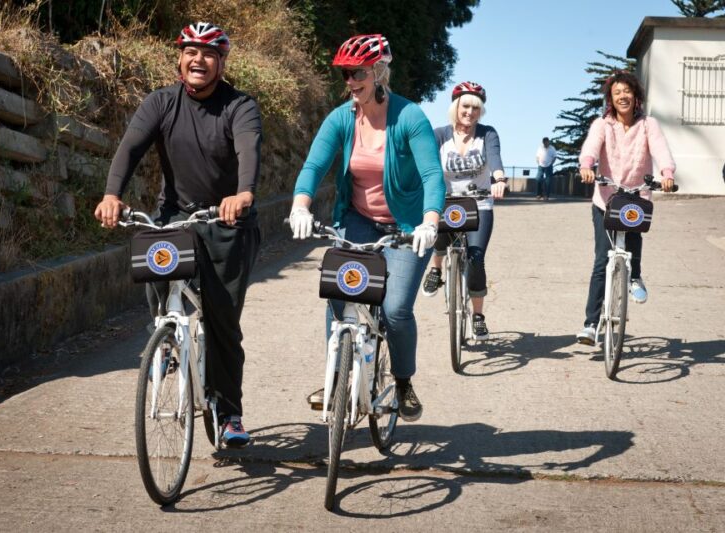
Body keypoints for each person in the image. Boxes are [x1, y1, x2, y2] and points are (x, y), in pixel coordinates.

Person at [94, 22, 262, 446]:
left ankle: (228, 414)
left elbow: (248, 149)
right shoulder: (161, 102)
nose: (198, 59)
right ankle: (165, 338)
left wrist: (243, 193)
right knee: (154, 263)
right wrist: (112, 195)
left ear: (222, 62)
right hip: (177, 216)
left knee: (222, 320)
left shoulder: (239, 106)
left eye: (208, 53)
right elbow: (130, 148)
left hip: (227, 221)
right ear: (179, 59)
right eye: (190, 51)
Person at [288, 34, 445, 422]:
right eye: (345, 74)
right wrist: (300, 205)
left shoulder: (409, 117)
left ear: (378, 72)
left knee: (394, 310)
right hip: (358, 220)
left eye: (357, 73)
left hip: (406, 226)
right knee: (339, 295)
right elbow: (313, 167)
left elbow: (432, 175)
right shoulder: (342, 117)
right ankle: (337, 377)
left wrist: (429, 221)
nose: (351, 82)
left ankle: (404, 381)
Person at [576, 70, 675, 345]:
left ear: (636, 97)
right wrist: (586, 166)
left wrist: (667, 173)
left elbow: (660, 149)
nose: (623, 96)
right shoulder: (602, 124)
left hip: (635, 195)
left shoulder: (648, 124)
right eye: (617, 92)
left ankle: (636, 278)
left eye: (627, 92)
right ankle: (590, 325)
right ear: (611, 98)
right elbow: (591, 148)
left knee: (633, 239)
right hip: (605, 197)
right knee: (601, 261)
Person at [420, 81, 507, 340]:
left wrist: (499, 179)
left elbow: (494, 157)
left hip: (478, 203)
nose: (470, 112)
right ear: (455, 106)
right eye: (465, 106)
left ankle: (478, 315)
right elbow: (427, 164)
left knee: (476, 258)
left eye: (476, 108)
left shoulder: (487, 134)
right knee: (439, 236)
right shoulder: (439, 135)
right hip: (445, 201)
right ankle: (436, 270)